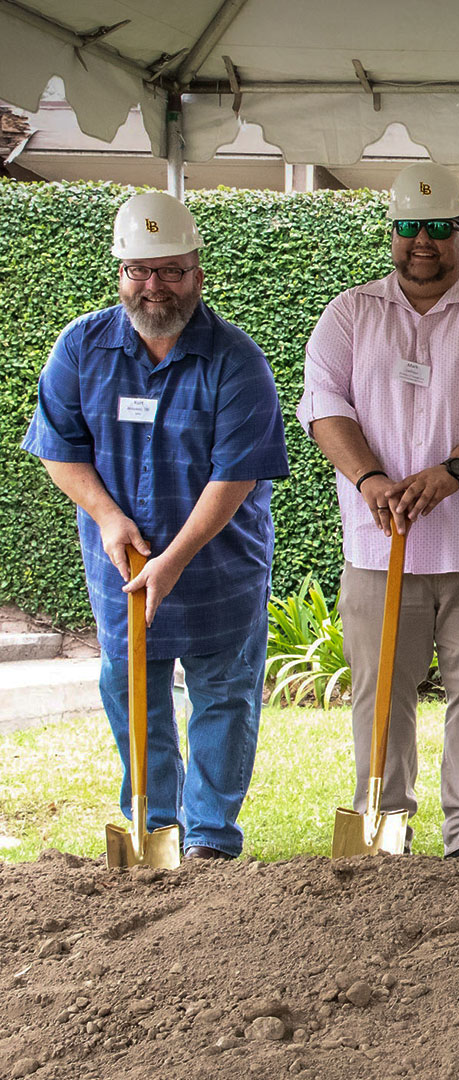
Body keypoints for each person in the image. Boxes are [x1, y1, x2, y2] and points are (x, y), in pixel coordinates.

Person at [22, 191, 287, 862]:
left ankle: (209, 840)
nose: (153, 285)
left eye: (169, 269)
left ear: (198, 273)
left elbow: (237, 475)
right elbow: (60, 448)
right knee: (130, 691)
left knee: (223, 698)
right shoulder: (81, 347)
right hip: (121, 566)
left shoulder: (236, 359)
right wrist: (110, 518)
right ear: (120, 275)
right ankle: (153, 823)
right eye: (139, 270)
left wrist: (171, 561)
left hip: (219, 569)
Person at [299, 163, 459, 857]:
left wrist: (452, 473)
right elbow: (324, 403)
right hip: (381, 548)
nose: (423, 242)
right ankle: (384, 823)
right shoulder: (350, 312)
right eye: (410, 227)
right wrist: (370, 478)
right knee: (380, 693)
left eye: (439, 229)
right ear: (392, 235)